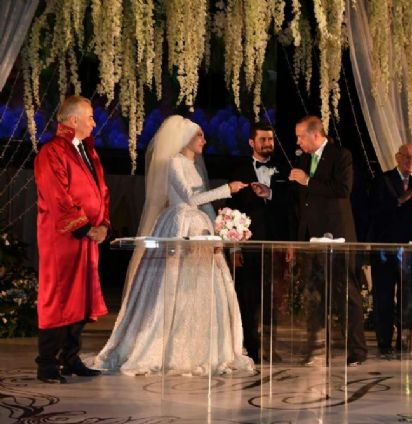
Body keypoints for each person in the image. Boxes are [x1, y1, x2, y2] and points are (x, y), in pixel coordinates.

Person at [94, 115, 253, 376]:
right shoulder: (174, 163)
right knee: (172, 283)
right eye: (199, 135)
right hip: (179, 225)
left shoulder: (193, 165)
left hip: (198, 226)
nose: (204, 140)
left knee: (202, 286)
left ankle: (203, 349)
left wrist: (218, 232)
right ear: (184, 138)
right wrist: (227, 189)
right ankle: (163, 346)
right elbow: (191, 198)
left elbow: (203, 204)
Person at [33, 95, 110, 384]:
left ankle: (70, 357)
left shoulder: (88, 152)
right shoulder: (52, 151)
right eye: (90, 117)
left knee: (81, 297)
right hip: (62, 238)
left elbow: (102, 192)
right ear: (74, 120)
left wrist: (103, 225)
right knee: (59, 296)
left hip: (86, 237)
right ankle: (47, 363)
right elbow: (57, 195)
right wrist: (84, 227)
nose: (94, 123)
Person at [288, 115, 367, 366]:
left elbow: (342, 189)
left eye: (300, 136)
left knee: (346, 293)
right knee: (315, 294)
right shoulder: (304, 159)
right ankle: (316, 348)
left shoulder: (341, 155)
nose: (298, 141)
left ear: (315, 134)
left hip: (337, 234)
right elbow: (301, 200)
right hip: (311, 237)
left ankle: (356, 350)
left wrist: (308, 181)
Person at [228, 122, 288, 363]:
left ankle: (270, 347)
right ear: (251, 142)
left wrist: (289, 244)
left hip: (275, 243)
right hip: (249, 246)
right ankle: (252, 348)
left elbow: (291, 207)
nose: (268, 143)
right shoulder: (239, 171)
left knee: (273, 299)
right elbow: (231, 212)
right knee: (248, 298)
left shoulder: (283, 169)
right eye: (263, 139)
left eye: (270, 139)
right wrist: (235, 248)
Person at [366, 143, 412, 359]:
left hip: (407, 248)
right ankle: (384, 341)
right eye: (408, 157)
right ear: (397, 157)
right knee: (383, 295)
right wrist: (400, 200)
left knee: (407, 296)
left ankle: (404, 340)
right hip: (383, 246)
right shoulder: (382, 180)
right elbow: (373, 210)